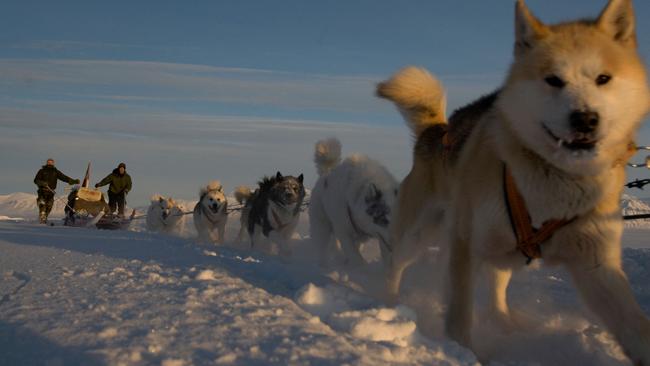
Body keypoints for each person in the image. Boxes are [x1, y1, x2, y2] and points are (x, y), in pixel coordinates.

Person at [33, 158, 80, 224]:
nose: (50, 163)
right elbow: (36, 180)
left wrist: (73, 181)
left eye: (51, 162)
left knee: (49, 205)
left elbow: (64, 177)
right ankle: (42, 216)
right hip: (42, 190)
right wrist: (42, 183)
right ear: (46, 163)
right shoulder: (41, 171)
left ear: (53, 163)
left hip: (51, 191)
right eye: (48, 162)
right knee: (42, 203)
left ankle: (44, 217)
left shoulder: (55, 172)